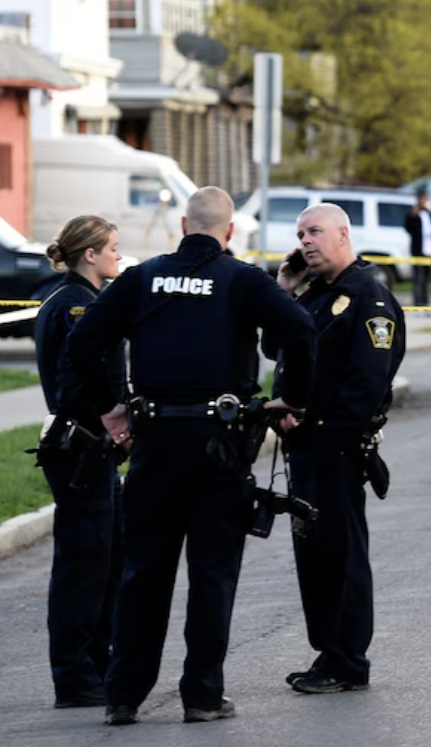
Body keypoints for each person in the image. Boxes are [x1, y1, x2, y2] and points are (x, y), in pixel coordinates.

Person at [61, 188, 315, 726]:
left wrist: (109, 409)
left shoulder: (141, 278)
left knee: (143, 572)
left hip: (153, 443)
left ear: (182, 224)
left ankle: (123, 695)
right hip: (218, 448)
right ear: (228, 232)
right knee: (212, 573)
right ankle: (201, 695)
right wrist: (294, 396)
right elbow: (300, 329)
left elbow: (83, 342)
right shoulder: (243, 279)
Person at [266, 203, 406, 695]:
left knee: (341, 555)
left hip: (336, 448)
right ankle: (329, 651)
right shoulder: (316, 295)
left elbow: (364, 385)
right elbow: (275, 348)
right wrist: (282, 291)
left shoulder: (367, 298)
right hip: (305, 446)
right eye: (301, 233)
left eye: (316, 232)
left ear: (343, 234)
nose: (306, 241)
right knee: (314, 556)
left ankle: (349, 660)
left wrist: (317, 424)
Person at [31, 215, 126, 710]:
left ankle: (97, 663)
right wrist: (116, 416)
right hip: (81, 449)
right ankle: (74, 676)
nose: (117, 252)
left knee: (107, 561)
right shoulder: (76, 308)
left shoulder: (76, 299)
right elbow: (77, 386)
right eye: (111, 246)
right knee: (83, 567)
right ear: (89, 254)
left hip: (92, 449)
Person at [401, 190, 431, 308]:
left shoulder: (429, 213)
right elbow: (408, 227)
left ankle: (425, 302)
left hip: (429, 250)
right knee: (418, 278)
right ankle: (417, 303)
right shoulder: (414, 214)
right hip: (418, 250)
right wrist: (413, 216)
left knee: (427, 278)